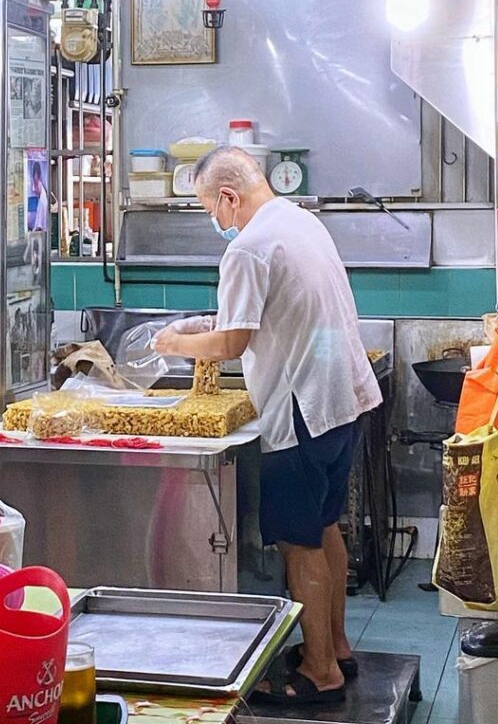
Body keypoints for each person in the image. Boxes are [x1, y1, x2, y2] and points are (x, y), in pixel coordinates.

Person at [152, 147, 382, 708]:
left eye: (210, 207)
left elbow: (233, 343)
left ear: (228, 197)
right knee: (325, 527)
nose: (216, 220)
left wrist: (175, 342)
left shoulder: (249, 247)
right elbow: (268, 315)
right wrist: (207, 325)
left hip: (301, 410)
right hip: (342, 401)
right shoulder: (301, 222)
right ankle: (337, 648)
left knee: (297, 543)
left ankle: (319, 670)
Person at [30, 160, 49, 232]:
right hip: (43, 197)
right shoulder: (40, 179)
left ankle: (39, 227)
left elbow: (37, 190)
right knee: (42, 214)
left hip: (41, 198)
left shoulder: (36, 180)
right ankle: (41, 227)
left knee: (40, 213)